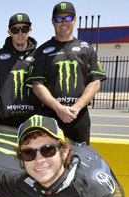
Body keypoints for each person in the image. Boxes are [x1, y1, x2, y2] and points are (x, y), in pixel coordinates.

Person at [27, 2, 106, 145]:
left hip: (79, 116)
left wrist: (76, 108)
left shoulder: (86, 49)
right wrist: (58, 108)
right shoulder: (42, 51)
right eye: (59, 19)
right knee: (51, 158)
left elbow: (95, 82)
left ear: (75, 20)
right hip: (51, 115)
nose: (64, 22)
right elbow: (37, 84)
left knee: (81, 160)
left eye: (68, 18)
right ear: (52, 22)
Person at [0, 13, 37, 127]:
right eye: (15, 30)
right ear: (9, 32)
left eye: (24, 29)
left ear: (30, 30)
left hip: (32, 120)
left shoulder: (39, 56)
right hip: (5, 120)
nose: (20, 33)